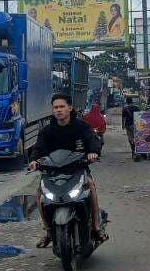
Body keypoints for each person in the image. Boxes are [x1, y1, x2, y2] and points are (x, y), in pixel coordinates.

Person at [29, 93, 107, 248]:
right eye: (55, 107)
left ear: (70, 108)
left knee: (91, 185)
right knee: (39, 194)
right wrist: (33, 160)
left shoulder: (81, 126)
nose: (58, 110)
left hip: (77, 169)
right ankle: (48, 231)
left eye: (62, 106)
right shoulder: (47, 131)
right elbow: (39, 147)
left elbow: (93, 139)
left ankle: (96, 227)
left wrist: (93, 152)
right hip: (52, 172)